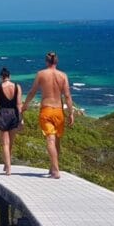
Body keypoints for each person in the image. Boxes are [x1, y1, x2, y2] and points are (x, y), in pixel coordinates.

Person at [22, 51, 75, 179]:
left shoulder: (41, 74)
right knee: (57, 140)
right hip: (58, 110)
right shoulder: (63, 76)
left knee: (50, 140)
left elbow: (32, 91)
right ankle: (53, 167)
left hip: (46, 109)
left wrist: (25, 104)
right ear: (56, 61)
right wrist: (71, 112)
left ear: (46, 62)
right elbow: (67, 95)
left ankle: (55, 170)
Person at [0, 67, 22, 175]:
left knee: (5, 143)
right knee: (10, 142)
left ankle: (8, 168)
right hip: (14, 114)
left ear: (1, 77)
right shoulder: (17, 86)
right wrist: (21, 118)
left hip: (3, 114)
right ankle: (7, 164)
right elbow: (19, 104)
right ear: (9, 76)